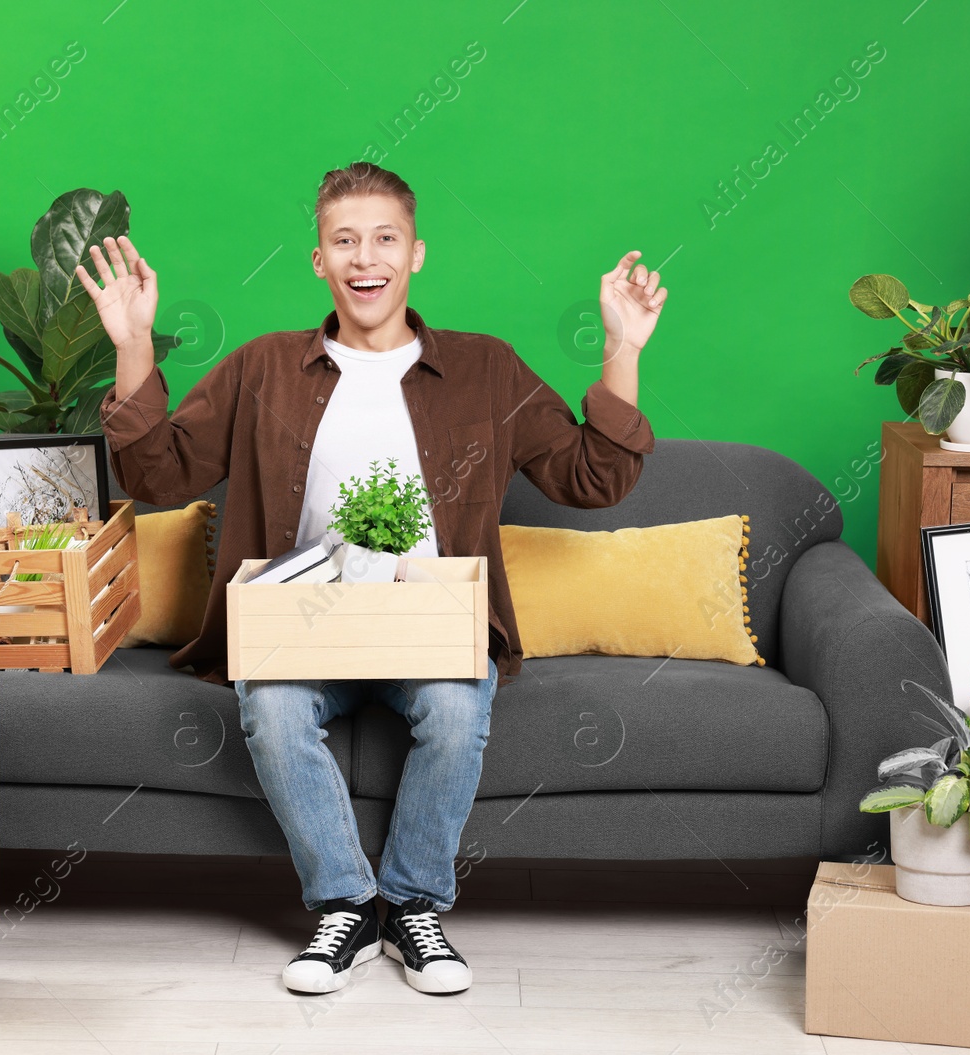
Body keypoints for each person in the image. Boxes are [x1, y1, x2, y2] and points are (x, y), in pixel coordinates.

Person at [79, 162, 665, 996]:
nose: (366, 258)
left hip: (431, 629)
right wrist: (132, 341)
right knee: (272, 709)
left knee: (459, 709)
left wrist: (622, 349)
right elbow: (159, 474)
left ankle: (414, 905)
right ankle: (347, 906)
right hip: (301, 626)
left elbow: (592, 478)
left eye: (385, 238)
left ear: (416, 253)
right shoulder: (262, 369)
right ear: (319, 259)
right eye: (344, 240)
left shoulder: (486, 369)